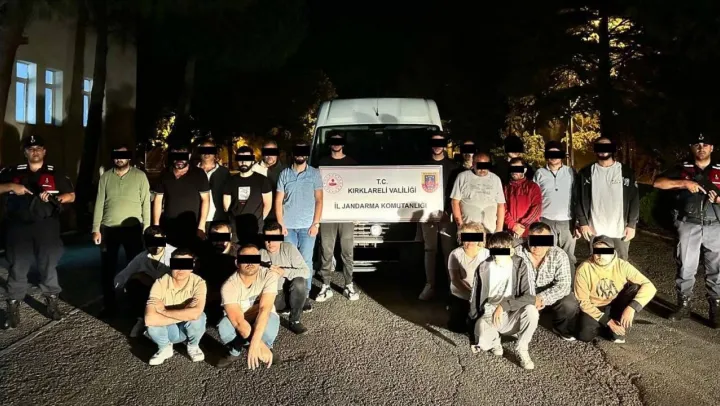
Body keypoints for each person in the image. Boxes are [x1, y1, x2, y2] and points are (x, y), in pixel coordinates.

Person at [0, 134, 75, 328]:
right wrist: (11, 186)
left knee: (48, 265)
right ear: (25, 152)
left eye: (38, 148)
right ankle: (13, 307)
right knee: (17, 266)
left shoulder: (55, 172)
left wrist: (56, 199)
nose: (35, 151)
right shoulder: (12, 171)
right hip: (18, 227)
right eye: (31, 149)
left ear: (44, 151)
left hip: (46, 226)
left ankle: (52, 302)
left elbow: (71, 195)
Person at [652, 133, 720, 326]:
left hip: (716, 225)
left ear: (711, 148)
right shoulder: (683, 168)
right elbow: (658, 182)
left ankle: (716, 309)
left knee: (717, 270)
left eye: (705, 144)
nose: (701, 148)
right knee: (686, 267)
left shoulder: (719, 169)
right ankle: (683, 306)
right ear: (692, 147)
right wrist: (684, 183)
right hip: (688, 224)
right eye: (697, 144)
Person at [92, 144, 151, 317]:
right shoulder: (105, 177)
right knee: (107, 269)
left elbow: (146, 203)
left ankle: (136, 306)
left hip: (133, 229)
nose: (119, 158)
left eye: (123, 155)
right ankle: (109, 306)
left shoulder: (140, 176)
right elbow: (99, 203)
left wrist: (147, 228)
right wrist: (96, 228)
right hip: (109, 229)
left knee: (136, 267)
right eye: (116, 155)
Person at [469, 232, 537, 370]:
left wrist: (504, 306)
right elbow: (474, 298)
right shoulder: (483, 267)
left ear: (511, 250)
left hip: (513, 311)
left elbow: (530, 296)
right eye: (494, 251)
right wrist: (473, 325)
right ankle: (495, 341)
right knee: (483, 343)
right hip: (490, 311)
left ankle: (522, 348)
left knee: (532, 311)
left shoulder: (521, 264)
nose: (497, 256)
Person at [575, 236, 656, 343]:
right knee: (584, 335)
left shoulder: (622, 265)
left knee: (635, 288)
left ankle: (617, 323)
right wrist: (608, 321)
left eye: (605, 251)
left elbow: (649, 286)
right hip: (596, 306)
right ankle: (606, 326)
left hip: (616, 304)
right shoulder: (584, 269)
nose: (601, 255)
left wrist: (632, 308)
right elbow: (583, 302)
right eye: (597, 251)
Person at [575, 138, 640, 260]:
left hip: (620, 231)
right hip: (595, 229)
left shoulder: (626, 172)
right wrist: (583, 223)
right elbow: (578, 199)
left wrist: (632, 224)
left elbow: (634, 200)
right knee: (598, 262)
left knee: (619, 263)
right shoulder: (586, 173)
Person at [217, 245, 280, 369]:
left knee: (270, 320)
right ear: (237, 263)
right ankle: (236, 350)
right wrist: (256, 344)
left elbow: (265, 309)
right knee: (224, 326)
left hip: (260, 315)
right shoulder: (229, 286)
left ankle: (266, 346)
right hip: (242, 317)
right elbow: (238, 321)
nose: (250, 262)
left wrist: (256, 343)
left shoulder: (269, 275)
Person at [144, 249, 207, 365]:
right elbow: (149, 319)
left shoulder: (199, 283)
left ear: (192, 267)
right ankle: (164, 347)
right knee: (152, 326)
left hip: (183, 327)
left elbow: (196, 314)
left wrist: (163, 311)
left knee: (200, 318)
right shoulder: (160, 282)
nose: (181, 269)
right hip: (168, 329)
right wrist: (186, 313)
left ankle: (193, 345)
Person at [515, 222, 578, 341]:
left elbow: (564, 285)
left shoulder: (559, 254)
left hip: (548, 292)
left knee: (569, 303)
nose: (537, 245)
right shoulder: (517, 252)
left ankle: (560, 327)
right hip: (525, 292)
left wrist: (541, 298)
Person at [275, 141, 323, 294]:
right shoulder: (284, 174)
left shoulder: (314, 174)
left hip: (308, 227)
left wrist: (316, 224)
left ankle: (305, 293)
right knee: (289, 260)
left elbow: (319, 200)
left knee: (306, 260)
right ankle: (290, 292)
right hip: (288, 227)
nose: (300, 155)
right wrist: (281, 224)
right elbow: (278, 201)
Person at [317, 131, 360, 302]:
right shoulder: (322, 163)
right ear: (329, 143)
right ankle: (326, 285)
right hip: (327, 214)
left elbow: (357, 189)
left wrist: (356, 212)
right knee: (326, 251)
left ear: (343, 143)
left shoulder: (352, 164)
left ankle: (348, 285)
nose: (336, 144)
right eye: (333, 141)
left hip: (346, 214)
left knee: (347, 251)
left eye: (339, 141)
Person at [417, 133, 459, 300]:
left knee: (449, 251)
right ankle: (430, 286)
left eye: (440, 142)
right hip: (427, 216)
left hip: (447, 216)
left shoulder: (453, 167)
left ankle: (452, 288)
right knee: (430, 250)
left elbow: (456, 193)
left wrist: (448, 212)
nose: (437, 145)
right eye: (434, 142)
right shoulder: (422, 166)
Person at [114, 226, 175, 337]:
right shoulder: (141, 258)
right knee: (133, 284)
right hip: (151, 295)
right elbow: (119, 279)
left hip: (172, 294)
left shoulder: (175, 254)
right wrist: (135, 276)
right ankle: (142, 319)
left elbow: (189, 279)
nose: (156, 246)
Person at [152, 143, 211, 249]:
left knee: (191, 255)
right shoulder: (165, 174)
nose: (179, 160)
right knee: (170, 255)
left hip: (192, 226)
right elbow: (158, 200)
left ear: (189, 155)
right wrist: (156, 226)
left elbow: (205, 200)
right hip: (169, 225)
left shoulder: (199, 174)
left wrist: (201, 226)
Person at [260, 221, 311, 334]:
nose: (270, 243)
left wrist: (284, 272)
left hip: (290, 291)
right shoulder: (259, 253)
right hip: (272, 295)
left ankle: (295, 320)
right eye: (267, 239)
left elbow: (306, 272)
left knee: (300, 282)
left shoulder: (288, 248)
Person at [533, 141, 577, 265]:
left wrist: (578, 221)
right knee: (547, 255)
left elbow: (577, 196)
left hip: (568, 221)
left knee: (568, 256)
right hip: (545, 220)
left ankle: (570, 277)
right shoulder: (539, 173)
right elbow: (534, 197)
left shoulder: (571, 172)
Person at [223, 146, 272, 245]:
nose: (243, 162)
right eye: (240, 159)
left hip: (256, 229)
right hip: (236, 230)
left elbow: (268, 205)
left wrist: (258, 220)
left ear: (252, 160)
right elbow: (226, 206)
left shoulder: (262, 180)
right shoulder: (230, 181)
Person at [447, 222, 489, 333]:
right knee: (457, 327)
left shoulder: (487, 254)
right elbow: (455, 279)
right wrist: (471, 294)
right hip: (461, 294)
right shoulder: (455, 254)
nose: (470, 241)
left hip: (482, 295)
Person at [451, 152, 506, 234]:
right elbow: (455, 202)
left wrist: (499, 229)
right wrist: (460, 226)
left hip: (490, 231)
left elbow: (500, 205)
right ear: (473, 164)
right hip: (468, 231)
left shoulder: (496, 179)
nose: (482, 170)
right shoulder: (462, 177)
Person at [195, 222, 239, 314]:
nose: (219, 241)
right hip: (209, 299)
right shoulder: (202, 253)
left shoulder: (240, 252)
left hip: (234, 298)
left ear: (230, 236)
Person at [504, 157, 542, 244]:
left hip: (530, 232)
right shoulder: (506, 188)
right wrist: (513, 226)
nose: (514, 171)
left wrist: (522, 226)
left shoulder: (533, 187)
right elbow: (503, 208)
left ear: (524, 170)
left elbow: (536, 209)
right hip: (511, 232)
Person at [196, 138, 231, 231]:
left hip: (219, 220)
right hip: (197, 219)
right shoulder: (192, 172)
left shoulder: (224, 173)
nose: (206, 153)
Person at [252, 139, 287, 223]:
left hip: (281, 215)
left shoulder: (285, 170)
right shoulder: (254, 169)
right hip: (261, 215)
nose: (269, 155)